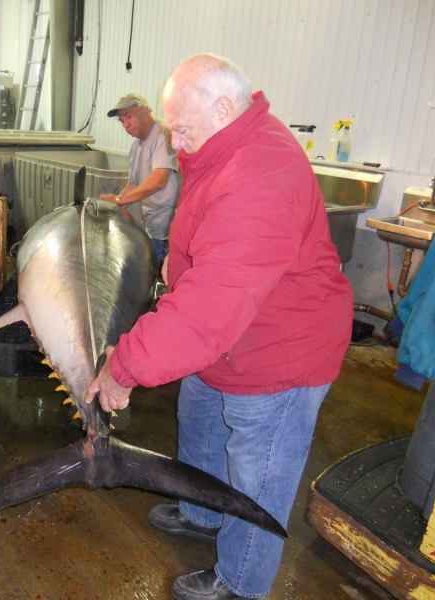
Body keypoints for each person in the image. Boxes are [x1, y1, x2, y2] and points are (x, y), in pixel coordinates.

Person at [85, 55, 353, 600]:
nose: (176, 142)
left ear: (224, 107)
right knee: (201, 415)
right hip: (232, 340)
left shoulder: (261, 172)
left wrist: (124, 366)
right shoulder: (225, 143)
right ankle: (202, 512)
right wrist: (177, 261)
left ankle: (241, 581)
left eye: (181, 128)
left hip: (279, 351)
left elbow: (209, 309)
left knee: (257, 474)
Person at [99, 93, 180, 267]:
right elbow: (133, 185)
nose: (126, 124)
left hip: (170, 229)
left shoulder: (163, 136)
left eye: (129, 116)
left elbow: (158, 180)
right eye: (121, 120)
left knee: (163, 279)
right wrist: (112, 207)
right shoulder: (136, 147)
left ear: (145, 112)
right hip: (153, 226)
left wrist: (120, 199)